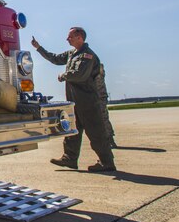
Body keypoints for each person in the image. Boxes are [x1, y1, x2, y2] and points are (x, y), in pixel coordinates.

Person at [31, 28, 116, 172]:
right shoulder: (72, 54)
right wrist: (39, 48)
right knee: (72, 132)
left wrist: (63, 76)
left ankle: (106, 162)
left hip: (88, 101)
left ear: (79, 37)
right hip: (75, 101)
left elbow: (79, 75)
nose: (67, 39)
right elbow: (55, 58)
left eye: (70, 37)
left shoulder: (87, 56)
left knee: (96, 133)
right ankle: (70, 159)